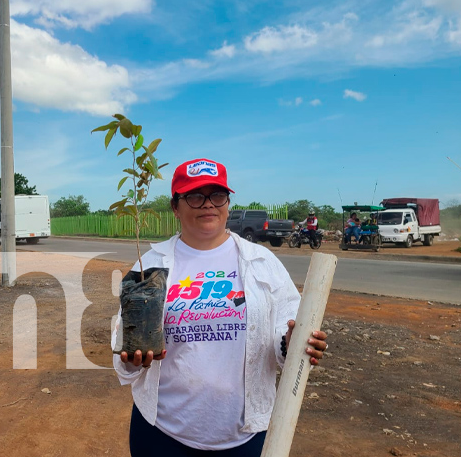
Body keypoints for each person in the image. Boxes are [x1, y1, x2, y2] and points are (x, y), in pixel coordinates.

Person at [112, 158, 328, 457]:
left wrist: (293, 341)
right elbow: (125, 338)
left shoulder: (262, 263)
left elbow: (286, 326)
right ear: (175, 207)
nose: (208, 205)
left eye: (217, 195)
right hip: (162, 432)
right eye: (195, 196)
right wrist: (133, 358)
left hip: (243, 436)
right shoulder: (150, 265)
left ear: (227, 202)